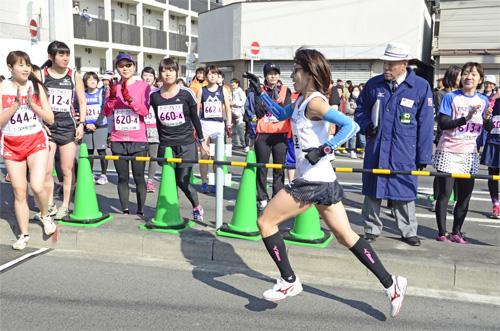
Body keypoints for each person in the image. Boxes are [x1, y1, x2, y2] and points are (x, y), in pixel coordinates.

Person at [243, 48, 407, 318]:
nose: (291, 75)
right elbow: (280, 114)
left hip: (312, 180)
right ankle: (392, 284)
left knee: (265, 222)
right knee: (346, 237)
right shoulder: (299, 102)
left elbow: (350, 127)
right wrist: (260, 91)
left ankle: (289, 280)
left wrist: (326, 149)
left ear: (308, 74)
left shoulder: (316, 102)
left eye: (296, 70)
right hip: (325, 181)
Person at [355, 42, 434, 247]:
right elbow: (361, 109)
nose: (387, 68)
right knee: (372, 189)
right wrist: (366, 126)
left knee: (404, 190)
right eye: (385, 63)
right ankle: (371, 229)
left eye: (392, 64)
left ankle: (408, 231)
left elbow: (426, 123)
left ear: (404, 64)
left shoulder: (420, 87)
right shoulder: (374, 84)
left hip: (404, 149)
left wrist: (423, 155)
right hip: (377, 146)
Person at [1, 51, 56, 249]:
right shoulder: (2, 87)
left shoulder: (36, 87)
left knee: (37, 186)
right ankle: (24, 234)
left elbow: (50, 119)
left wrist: (33, 105)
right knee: (19, 191)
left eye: (27, 65)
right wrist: (15, 105)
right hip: (11, 143)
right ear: (10, 68)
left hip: (35, 141)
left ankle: (45, 215)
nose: (25, 69)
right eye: (20, 65)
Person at [433, 62, 492, 243]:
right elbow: (443, 124)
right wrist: (464, 118)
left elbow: (486, 127)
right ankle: (442, 233)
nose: (469, 77)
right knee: (444, 194)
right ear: (461, 78)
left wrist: (487, 119)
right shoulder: (451, 97)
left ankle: (456, 232)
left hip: (470, 152)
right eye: (466, 73)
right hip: (448, 150)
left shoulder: (483, 100)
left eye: (474, 74)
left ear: (480, 80)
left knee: (465, 196)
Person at [149, 58, 205, 221]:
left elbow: (195, 118)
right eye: (164, 71)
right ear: (160, 74)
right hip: (166, 144)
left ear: (177, 73)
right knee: (169, 181)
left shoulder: (186, 93)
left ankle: (197, 207)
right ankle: (170, 212)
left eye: (171, 70)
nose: (168, 74)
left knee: (182, 181)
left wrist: (202, 141)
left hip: (186, 143)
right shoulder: (154, 96)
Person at [37, 41, 87, 221]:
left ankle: (65, 205)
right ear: (51, 57)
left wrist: (81, 123)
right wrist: (40, 123)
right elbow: (34, 101)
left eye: (67, 54)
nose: (66, 58)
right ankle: (49, 204)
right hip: (48, 127)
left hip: (68, 127)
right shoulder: (41, 74)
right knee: (47, 169)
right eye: (61, 54)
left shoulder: (74, 75)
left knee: (67, 169)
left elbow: (82, 101)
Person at [103, 53, 150, 216]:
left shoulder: (143, 86)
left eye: (128, 65)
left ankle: (140, 210)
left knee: (138, 177)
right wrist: (112, 99)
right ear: (117, 68)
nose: (125, 68)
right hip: (118, 139)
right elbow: (107, 112)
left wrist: (130, 100)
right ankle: (125, 211)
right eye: (121, 66)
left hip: (138, 139)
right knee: (122, 177)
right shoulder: (112, 87)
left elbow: (144, 111)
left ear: (134, 67)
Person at [252, 62, 291, 211]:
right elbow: (258, 111)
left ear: (279, 75)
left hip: (280, 134)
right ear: (265, 76)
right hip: (263, 134)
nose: (273, 76)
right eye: (270, 73)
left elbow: (285, 110)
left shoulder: (285, 90)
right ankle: (262, 197)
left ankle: (277, 196)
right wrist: (272, 103)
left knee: (279, 168)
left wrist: (272, 102)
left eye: (275, 73)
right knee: (262, 167)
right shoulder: (258, 90)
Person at [196, 65, 232, 193]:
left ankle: (216, 181)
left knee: (216, 157)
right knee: (204, 156)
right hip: (204, 124)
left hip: (218, 126)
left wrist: (229, 124)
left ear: (218, 76)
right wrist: (196, 127)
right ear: (205, 76)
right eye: (210, 74)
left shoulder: (223, 90)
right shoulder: (201, 90)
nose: (212, 76)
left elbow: (228, 108)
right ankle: (204, 182)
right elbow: (196, 110)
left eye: (215, 74)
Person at [430, 65, 461, 212]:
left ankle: (456, 201)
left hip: (460, 137)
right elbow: (441, 117)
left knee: (458, 172)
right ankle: (437, 199)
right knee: (442, 171)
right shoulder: (441, 94)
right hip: (444, 134)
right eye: (461, 75)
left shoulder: (463, 94)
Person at [82, 71, 109, 184]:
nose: (92, 81)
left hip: (101, 126)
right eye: (89, 79)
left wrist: (96, 124)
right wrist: (85, 124)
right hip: (86, 126)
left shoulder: (102, 92)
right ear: (85, 82)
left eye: (94, 79)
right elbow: (79, 109)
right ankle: (91, 173)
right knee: (89, 152)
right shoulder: (82, 94)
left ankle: (103, 175)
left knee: (102, 151)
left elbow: (104, 110)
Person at [481, 90, 500, 219]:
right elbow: (484, 113)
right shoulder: (493, 99)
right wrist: (493, 98)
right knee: (492, 175)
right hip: (493, 141)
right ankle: (496, 205)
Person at [141, 67, 160, 193]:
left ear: (154, 77)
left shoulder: (158, 91)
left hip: (154, 127)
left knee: (153, 156)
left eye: (150, 75)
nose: (148, 77)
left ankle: (150, 181)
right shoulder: (138, 90)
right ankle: (140, 180)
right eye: (145, 75)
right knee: (141, 157)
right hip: (141, 128)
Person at [229, 78, 246, 149]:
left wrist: (235, 102)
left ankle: (243, 143)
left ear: (237, 84)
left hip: (238, 111)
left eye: (233, 83)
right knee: (233, 129)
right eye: (231, 82)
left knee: (240, 128)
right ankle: (234, 143)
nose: (232, 84)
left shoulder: (240, 91)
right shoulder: (231, 91)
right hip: (232, 111)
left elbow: (243, 101)